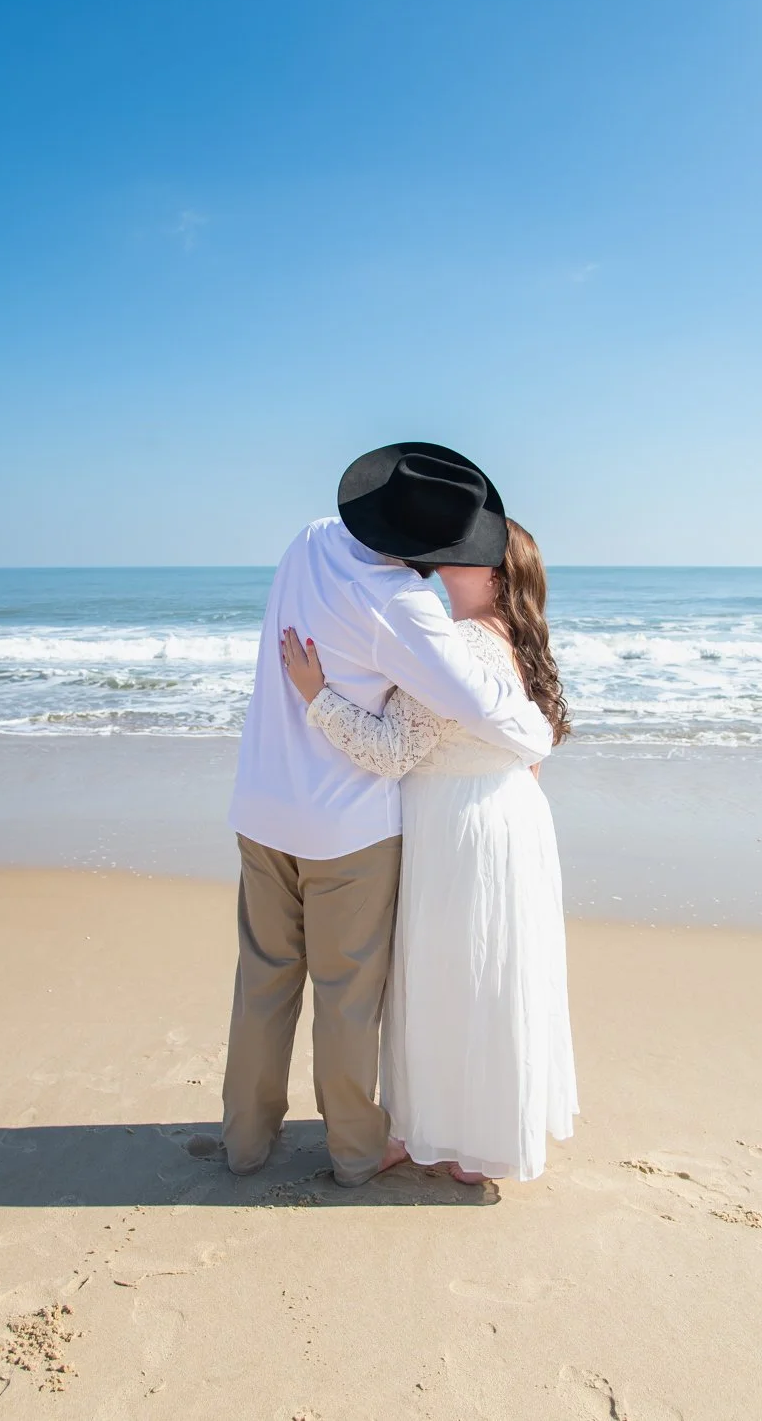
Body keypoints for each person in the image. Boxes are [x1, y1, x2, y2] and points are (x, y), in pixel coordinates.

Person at [220, 443, 554, 1188]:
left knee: (263, 983)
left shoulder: (307, 540)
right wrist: (539, 734)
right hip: (345, 828)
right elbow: (486, 710)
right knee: (346, 997)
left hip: (262, 805)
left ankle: (244, 1141)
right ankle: (352, 1157)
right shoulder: (404, 609)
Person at [281, 517, 578, 1183]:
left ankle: (437, 1136)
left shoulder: (462, 645)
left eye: (469, 553)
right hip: (510, 817)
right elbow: (530, 752)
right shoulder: (515, 640)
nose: (450, 554)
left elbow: (390, 751)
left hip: (459, 825)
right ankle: (481, 1137)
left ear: (497, 575)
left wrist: (316, 695)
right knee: (489, 976)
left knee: (448, 979)